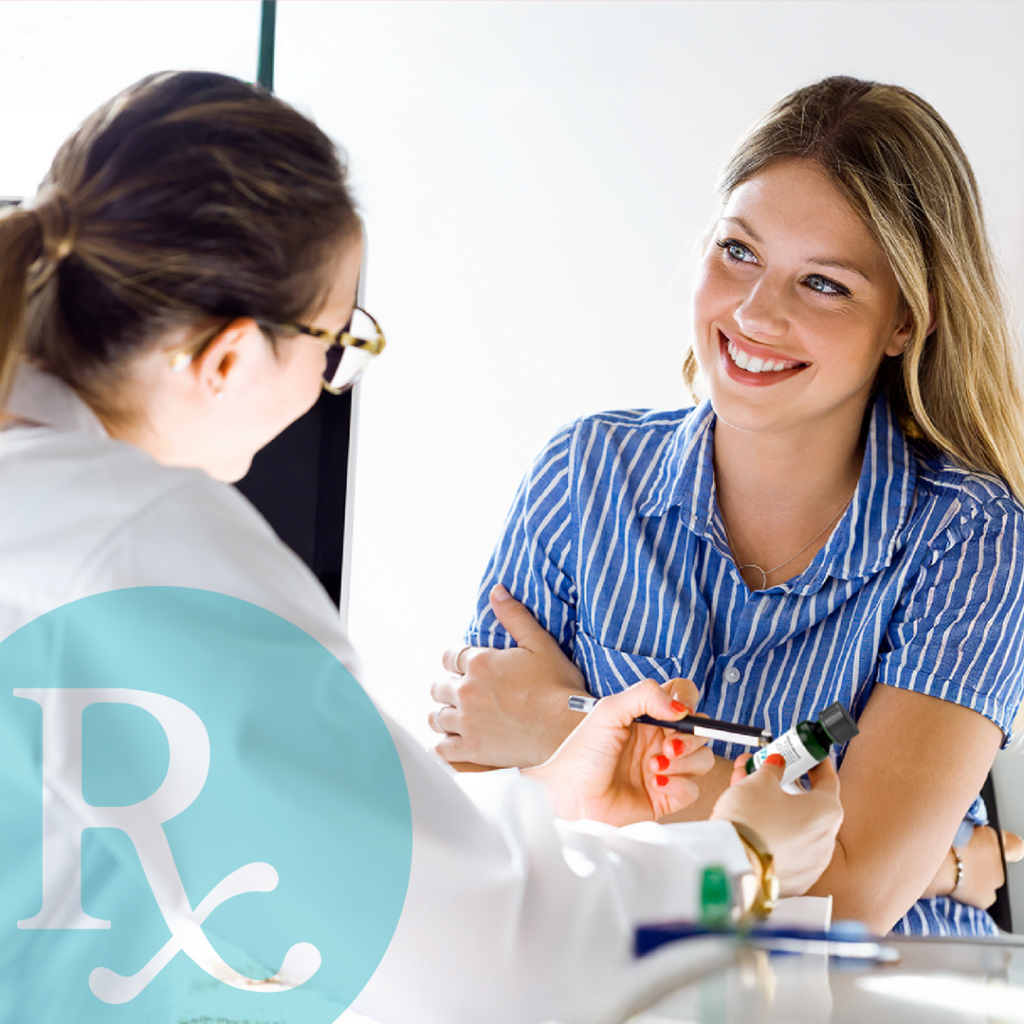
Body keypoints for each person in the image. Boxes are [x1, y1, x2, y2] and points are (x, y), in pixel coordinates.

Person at [0, 72, 844, 1024]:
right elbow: (478, 969)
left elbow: (276, 859)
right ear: (230, 358)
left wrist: (550, 805)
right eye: (335, 343)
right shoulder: (144, 550)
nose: (329, 383)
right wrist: (743, 860)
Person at [431, 76, 1024, 937]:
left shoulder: (971, 541)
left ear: (905, 321)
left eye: (824, 284)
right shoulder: (585, 471)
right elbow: (477, 823)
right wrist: (931, 861)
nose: (754, 313)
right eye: (739, 252)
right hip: (609, 971)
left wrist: (562, 727)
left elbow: (852, 902)